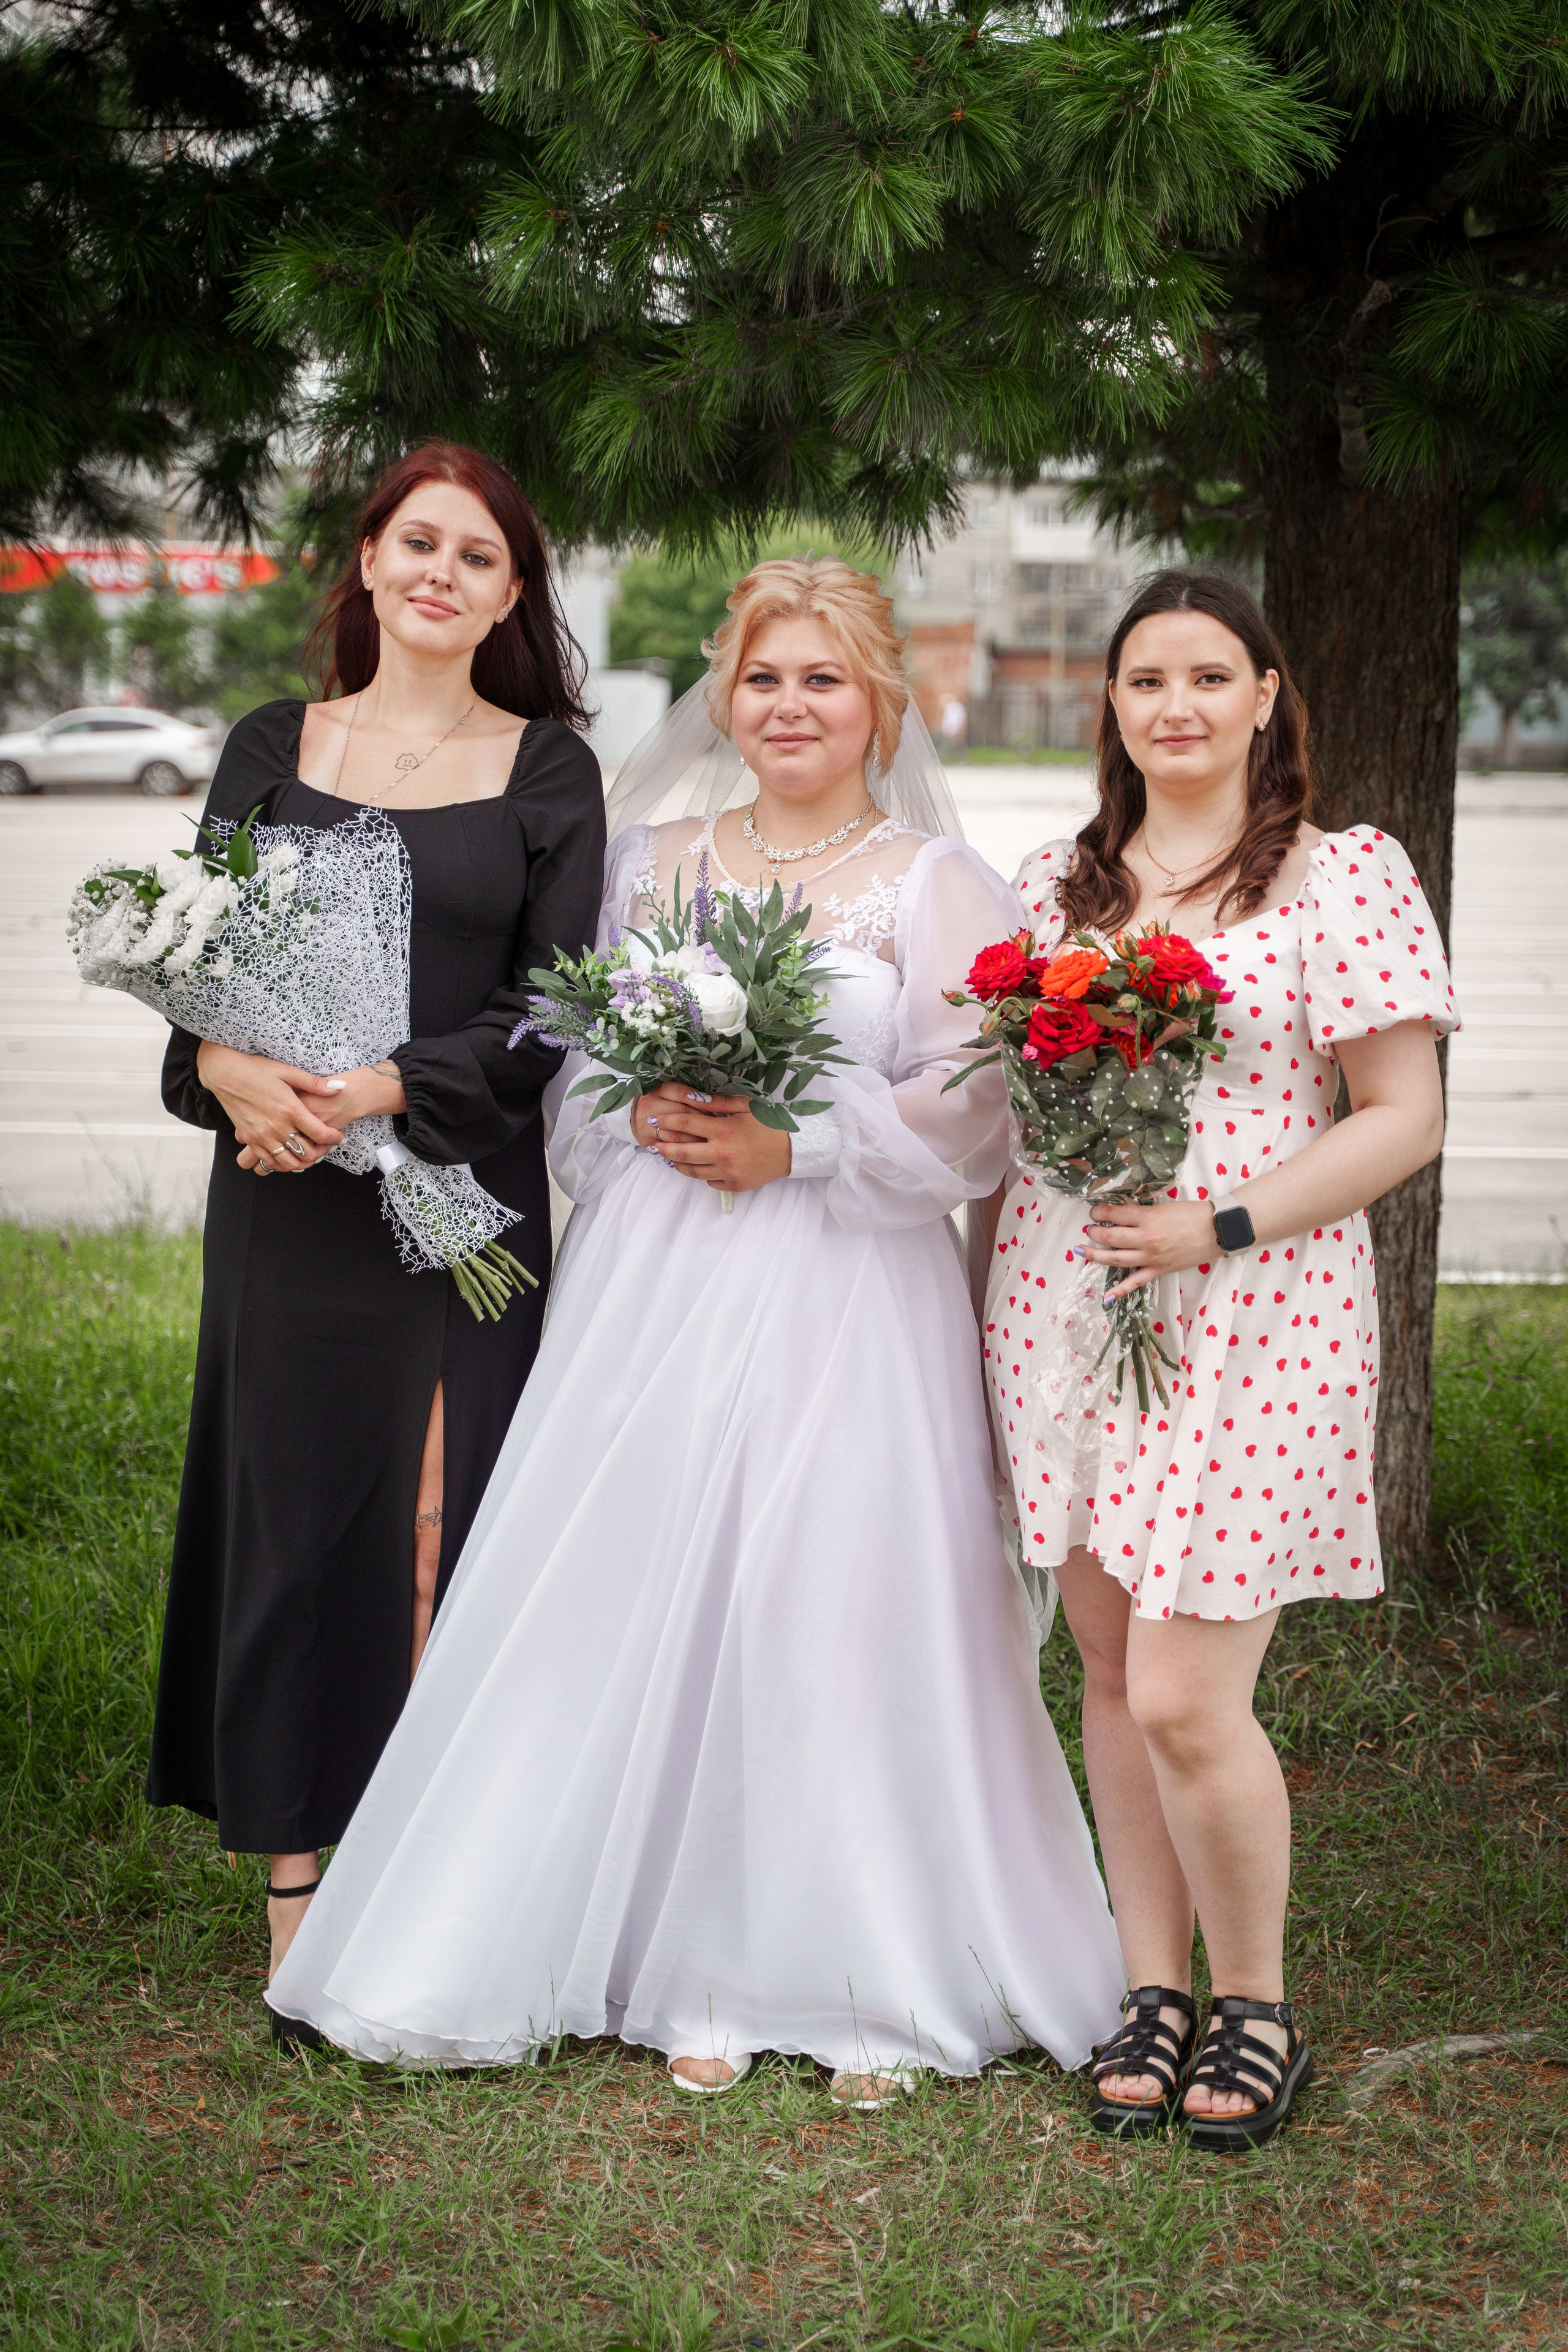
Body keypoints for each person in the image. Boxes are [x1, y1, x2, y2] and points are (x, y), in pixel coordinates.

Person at [267, 559, 1125, 2099]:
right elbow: (568, 1058)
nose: (787, 707)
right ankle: (671, 1951)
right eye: (761, 678)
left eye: (822, 681)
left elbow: (978, 1101)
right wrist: (647, 1109)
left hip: (846, 1289)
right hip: (658, 1278)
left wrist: (798, 1142)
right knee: (644, 1570)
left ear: (881, 703)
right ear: (722, 696)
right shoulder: (652, 861)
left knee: (832, 1590)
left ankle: (858, 1966)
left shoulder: (933, 885)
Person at [984, 570, 1457, 2150]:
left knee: (1190, 1690)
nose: (1174, 705)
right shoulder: (1060, 889)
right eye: (1144, 681)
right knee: (1111, 1672)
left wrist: (1220, 1226)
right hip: (1070, 1302)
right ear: (1110, 710)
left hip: (1258, 1309)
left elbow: (1403, 1118)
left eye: (1208, 676)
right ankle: (1151, 1987)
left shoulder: (1341, 881)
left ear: (1267, 698)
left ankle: (1254, 2008)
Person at [147, 443, 606, 1997]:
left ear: (510, 596)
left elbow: (552, 1017)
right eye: (418, 543)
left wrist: (378, 1090)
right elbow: (190, 952)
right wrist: (224, 1064)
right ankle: (295, 1884)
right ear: (365, 560)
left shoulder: (546, 768)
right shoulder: (273, 742)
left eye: (477, 558)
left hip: (457, 1191)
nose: (441, 574)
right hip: (284, 1197)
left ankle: (433, 1867)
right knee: (292, 1526)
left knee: (434, 1530)